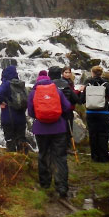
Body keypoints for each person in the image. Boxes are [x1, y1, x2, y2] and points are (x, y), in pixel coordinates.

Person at [28, 70, 72, 199]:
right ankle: (62, 186)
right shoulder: (57, 91)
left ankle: (45, 184)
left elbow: (30, 112)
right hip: (58, 128)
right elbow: (67, 106)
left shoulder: (33, 93)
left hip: (41, 129)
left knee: (43, 154)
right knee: (60, 157)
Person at [79, 65, 109, 163]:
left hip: (90, 112)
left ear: (92, 73)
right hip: (103, 113)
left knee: (93, 134)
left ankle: (94, 157)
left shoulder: (87, 84)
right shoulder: (106, 84)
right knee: (103, 135)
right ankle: (104, 158)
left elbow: (81, 100)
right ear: (101, 73)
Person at [0, 64, 28, 152]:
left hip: (9, 117)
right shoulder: (20, 84)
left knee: (10, 139)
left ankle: (12, 159)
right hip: (21, 117)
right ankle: (24, 159)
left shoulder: (6, 84)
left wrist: (1, 102)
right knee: (21, 138)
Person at [48, 66, 79, 152]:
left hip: (52, 111)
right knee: (68, 130)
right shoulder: (65, 84)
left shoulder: (47, 84)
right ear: (60, 73)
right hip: (66, 111)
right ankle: (67, 148)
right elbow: (75, 99)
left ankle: (53, 148)